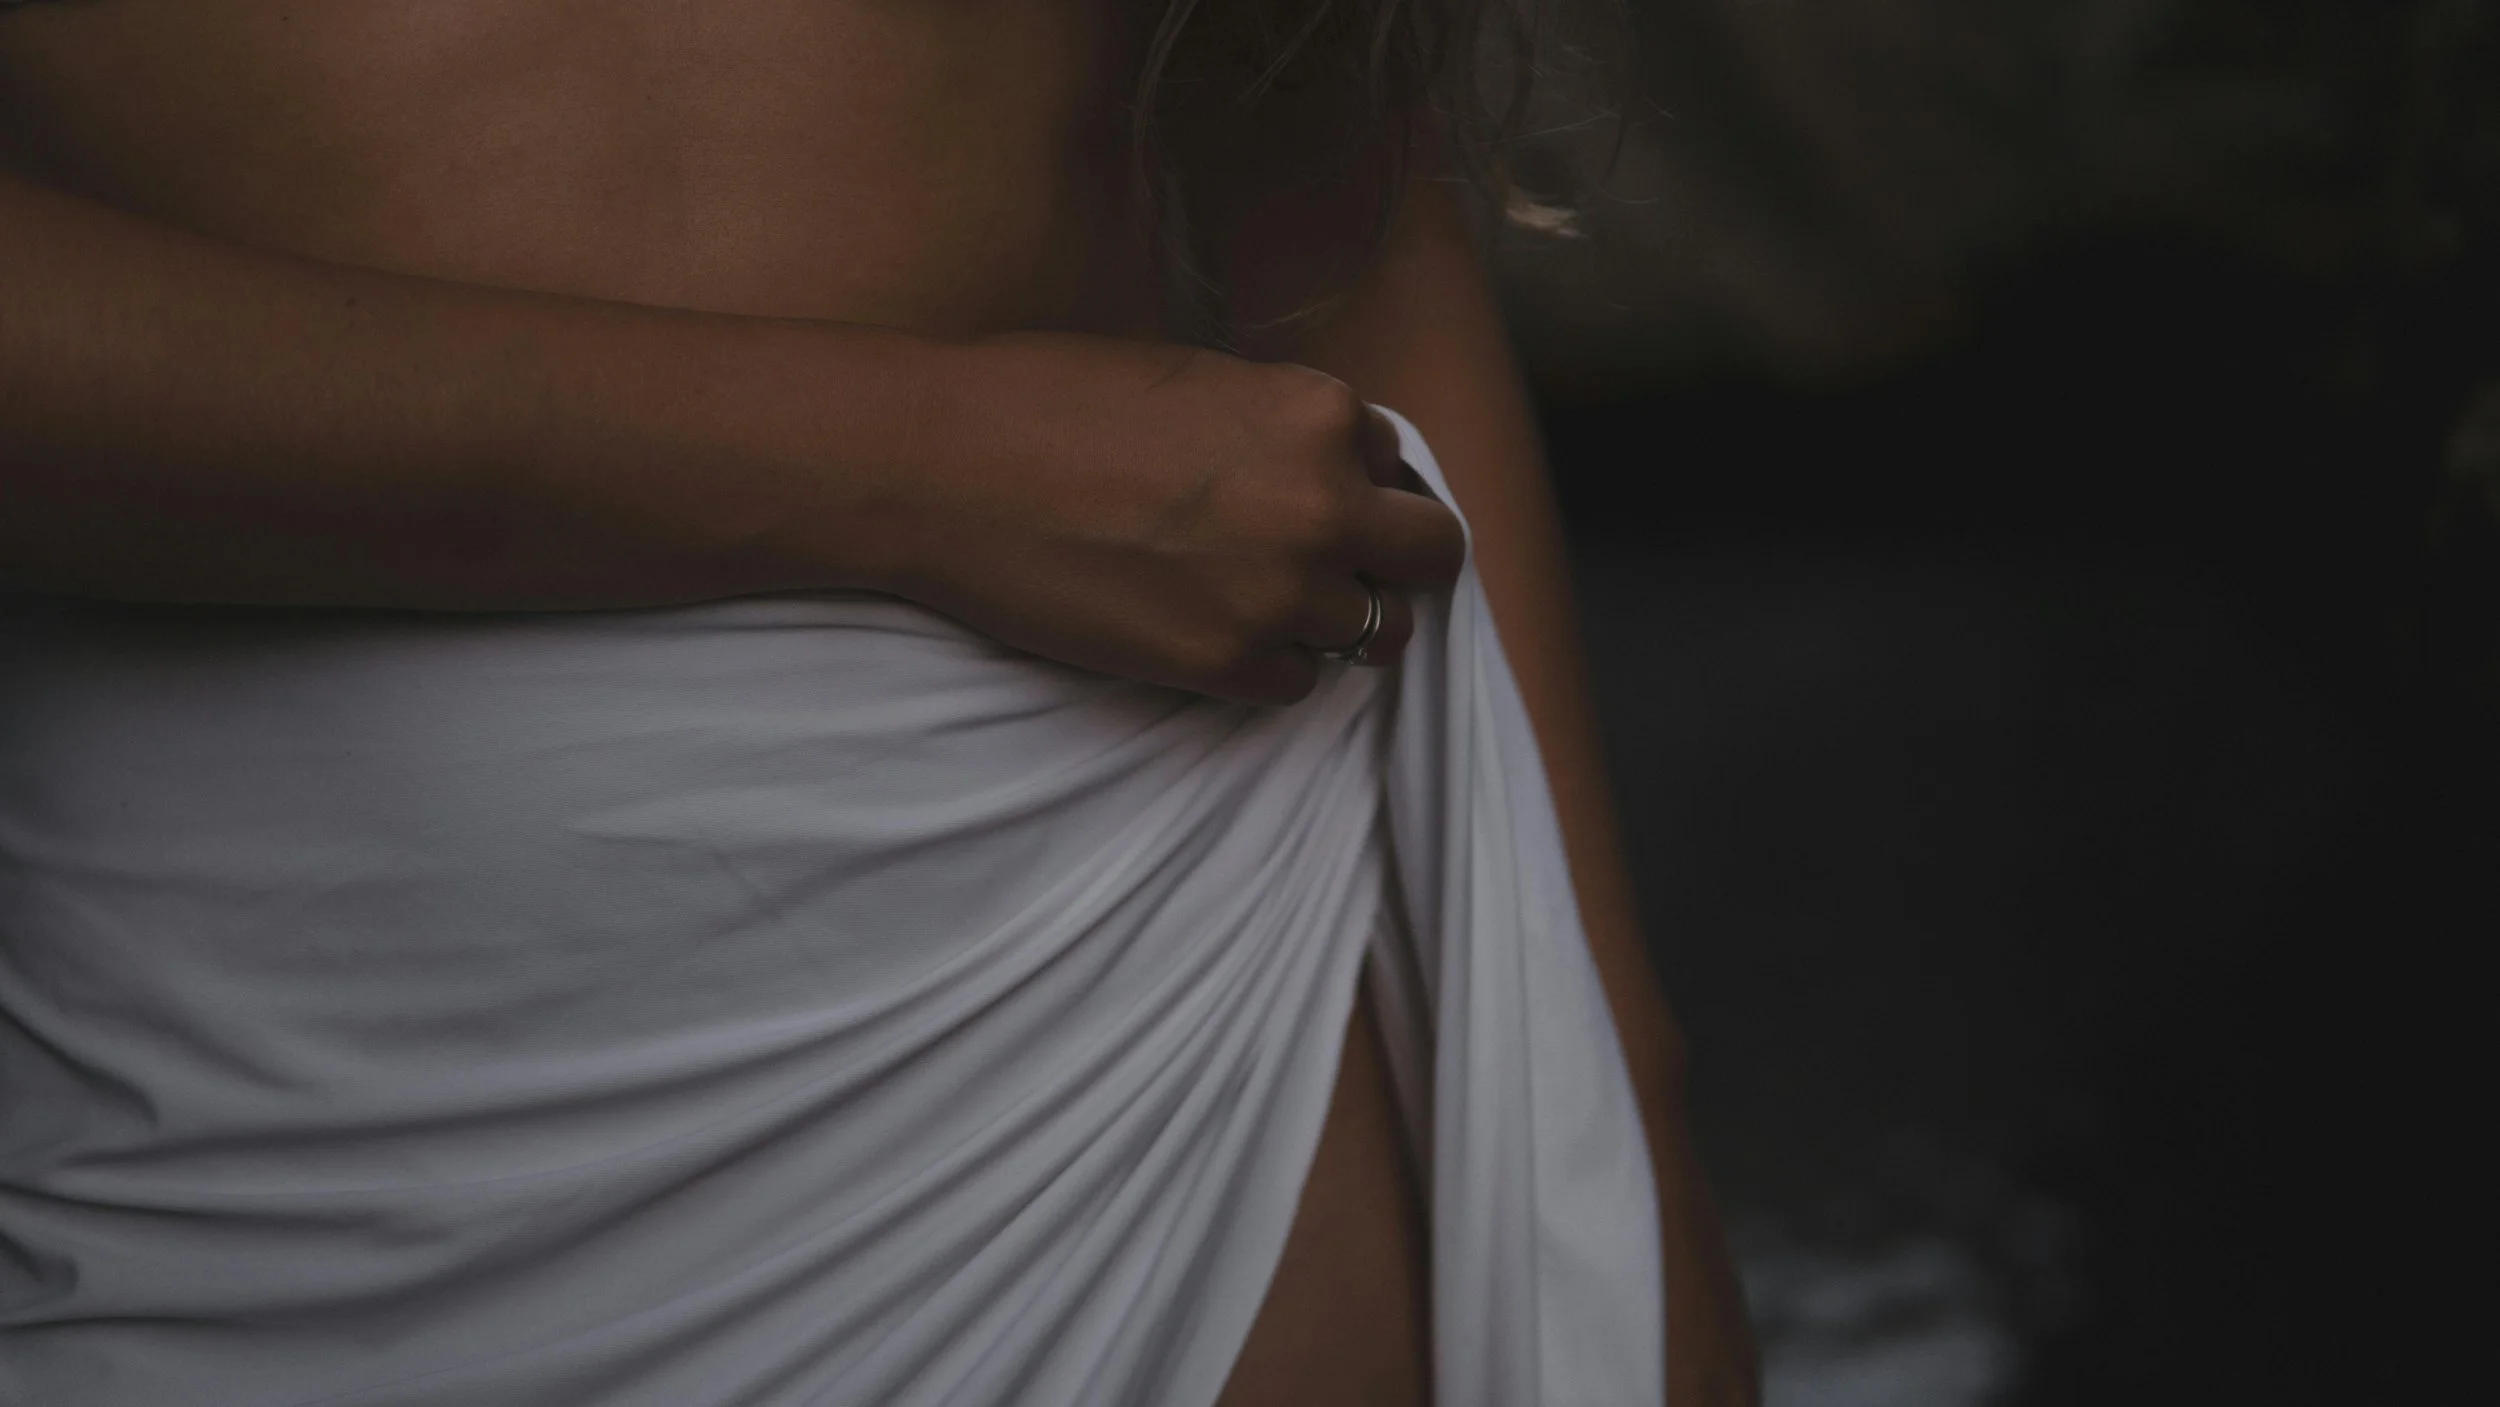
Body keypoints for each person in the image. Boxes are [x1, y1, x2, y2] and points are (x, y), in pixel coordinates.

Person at [0, 1, 1756, 1403]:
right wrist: (915, 466)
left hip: (1140, 1035)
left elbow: (1322, 166)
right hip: (267, 1118)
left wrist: (1626, 1148)